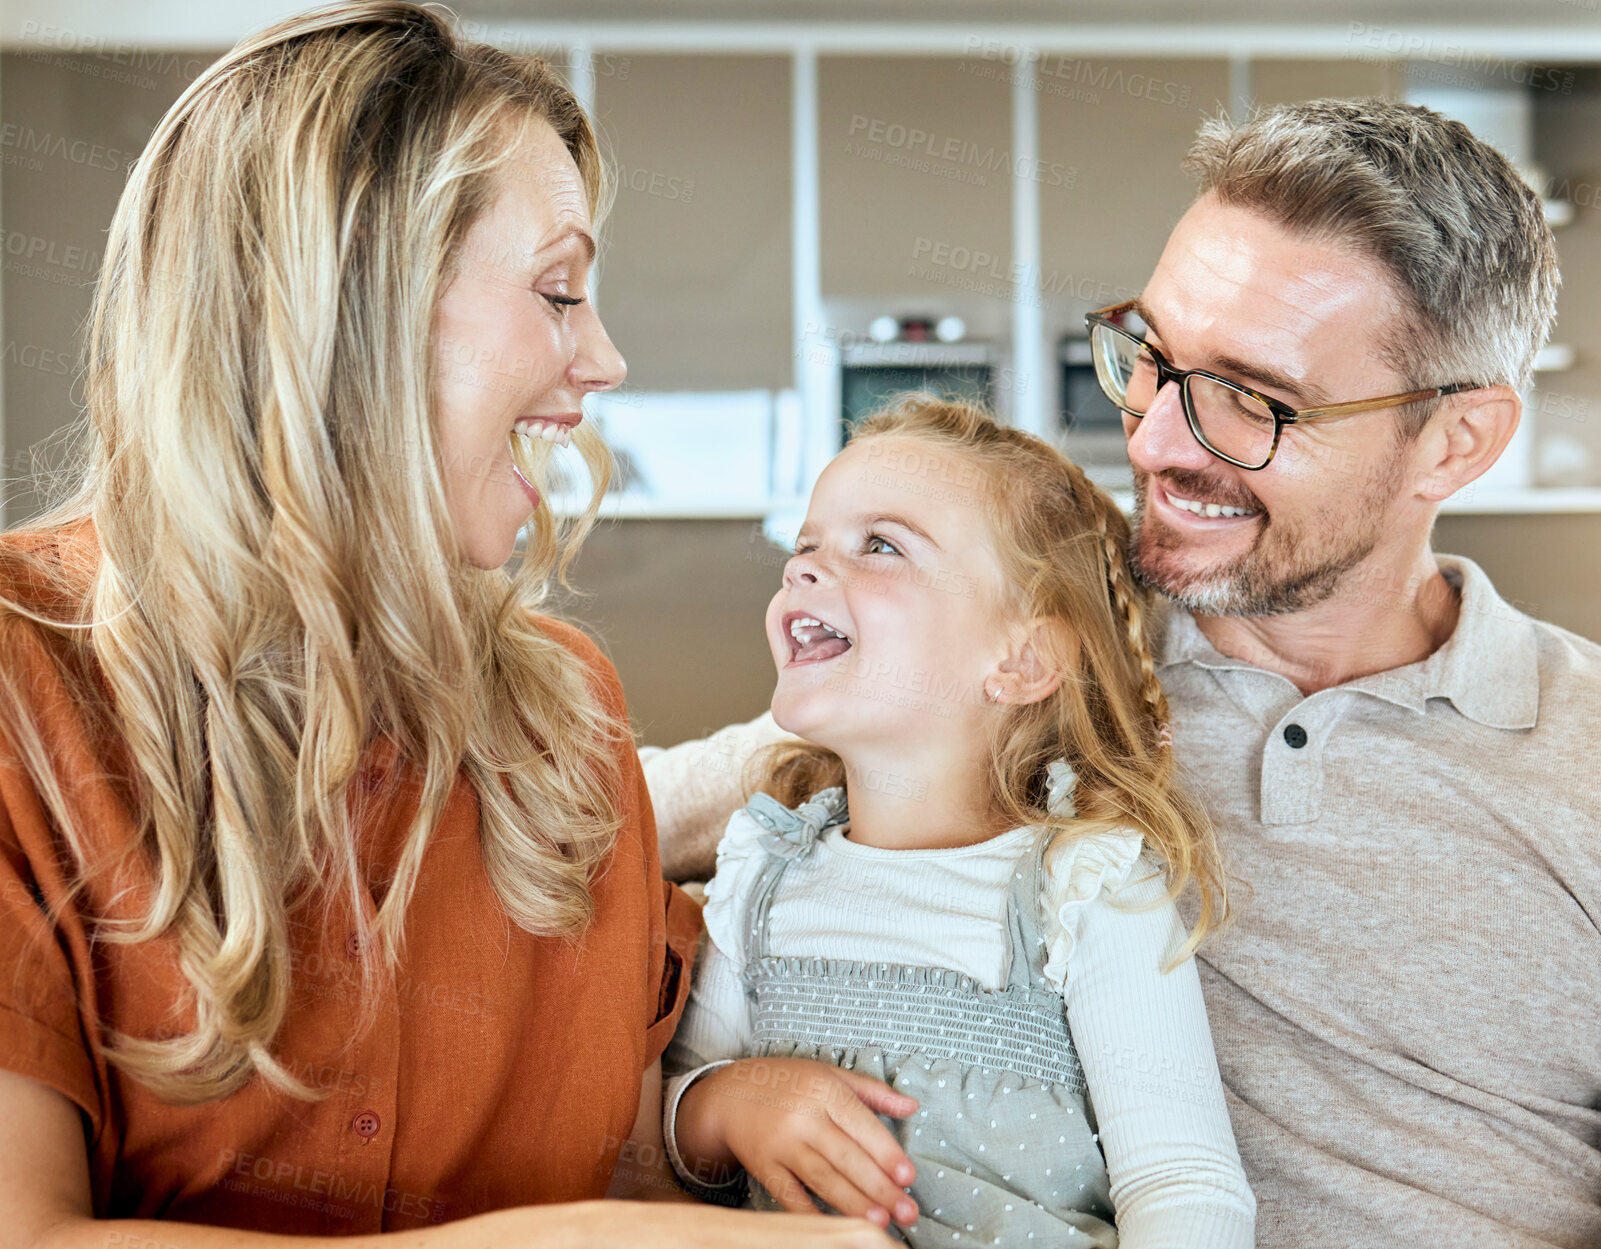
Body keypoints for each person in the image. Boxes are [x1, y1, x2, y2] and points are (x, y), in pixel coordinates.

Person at [0, 5, 892, 1247]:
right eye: (559, 292)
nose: (606, 361)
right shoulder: (23, 677)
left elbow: (632, 1164)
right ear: (349, 299)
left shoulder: (567, 715)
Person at [645, 99, 1601, 1249]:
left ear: (1455, 441)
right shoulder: (1028, 663)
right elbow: (602, 819)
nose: (1151, 441)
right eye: (1151, 359)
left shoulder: (1579, 754)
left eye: (1252, 401)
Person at [657, 395, 1256, 1247]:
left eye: (881, 545)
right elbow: (666, 1119)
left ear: (1022, 659)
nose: (805, 569)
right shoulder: (762, 876)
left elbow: (1182, 1182)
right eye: (806, 544)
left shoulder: (1082, 885)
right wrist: (719, 1104)